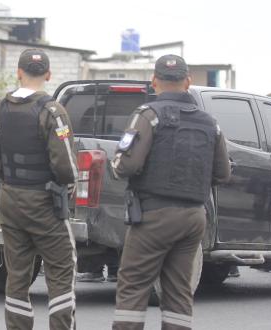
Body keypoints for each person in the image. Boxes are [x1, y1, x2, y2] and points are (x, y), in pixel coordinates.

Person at [110, 54, 231, 330]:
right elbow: (223, 174)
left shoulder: (148, 115)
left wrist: (116, 167)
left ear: (154, 81)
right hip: (194, 218)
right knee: (178, 293)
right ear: (188, 81)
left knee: (133, 286)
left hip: (153, 216)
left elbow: (126, 165)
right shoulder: (210, 123)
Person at [0, 49, 78, 330]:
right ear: (48, 75)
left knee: (18, 273)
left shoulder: (1, 107)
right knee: (62, 267)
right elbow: (64, 163)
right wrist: (69, 183)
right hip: (44, 201)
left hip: (10, 199)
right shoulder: (52, 111)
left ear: (18, 71)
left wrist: (13, 180)